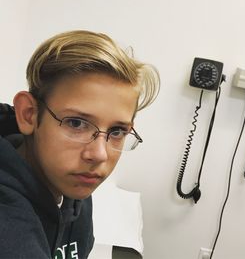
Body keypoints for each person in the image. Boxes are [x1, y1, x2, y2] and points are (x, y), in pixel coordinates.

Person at [0, 30, 160, 259]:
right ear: (29, 114)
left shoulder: (70, 180)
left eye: (117, 131)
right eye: (76, 123)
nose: (99, 154)